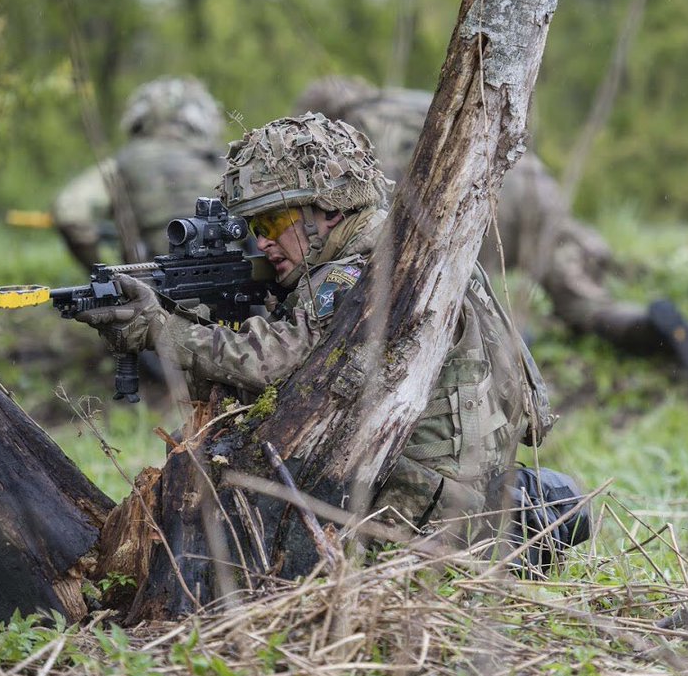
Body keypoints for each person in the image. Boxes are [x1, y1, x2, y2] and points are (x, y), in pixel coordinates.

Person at [73, 113, 588, 561]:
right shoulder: (411, 245)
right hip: (465, 489)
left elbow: (277, 366)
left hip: (423, 519)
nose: (263, 240)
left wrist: (162, 330)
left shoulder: (357, 274)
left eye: (274, 220)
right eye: (254, 225)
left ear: (331, 208)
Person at [292, 77, 688, 391]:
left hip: (468, 203)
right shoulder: (416, 97)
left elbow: (377, 209)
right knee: (579, 293)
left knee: (466, 295)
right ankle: (635, 323)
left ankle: (511, 343)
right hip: (529, 182)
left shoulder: (350, 131)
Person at [51, 76, 228, 269]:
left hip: (152, 290)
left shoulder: (122, 165)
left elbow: (70, 212)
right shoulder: (224, 163)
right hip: (235, 284)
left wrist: (110, 274)